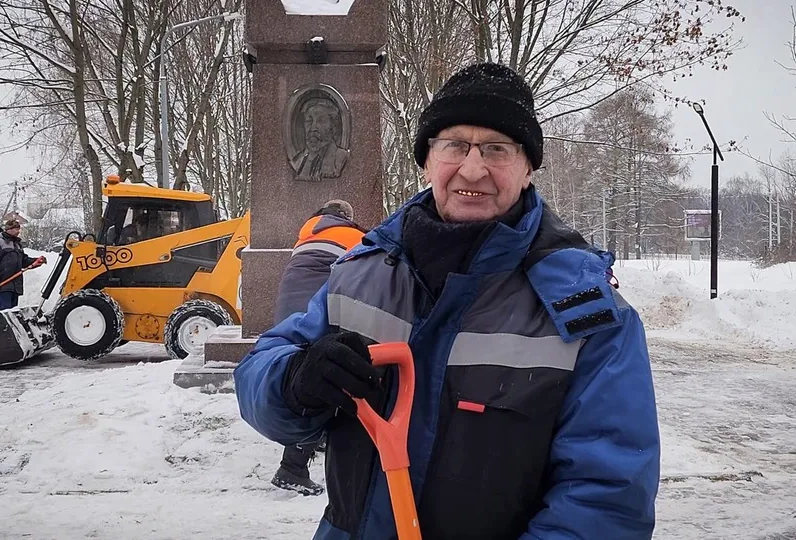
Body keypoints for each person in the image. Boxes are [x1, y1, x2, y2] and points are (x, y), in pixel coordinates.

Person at [234, 62, 660, 539]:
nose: (473, 169)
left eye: (497, 149)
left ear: (527, 169)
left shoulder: (587, 315)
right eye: (455, 145)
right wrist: (292, 382)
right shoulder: (359, 274)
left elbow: (605, 501)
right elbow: (259, 373)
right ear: (427, 160)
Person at [270, 199, 365, 496]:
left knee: (303, 379)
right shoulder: (353, 237)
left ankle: (312, 439)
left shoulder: (307, 233)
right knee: (322, 382)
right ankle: (292, 468)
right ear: (346, 219)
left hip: (288, 312)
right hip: (314, 310)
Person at [0, 219, 45, 311]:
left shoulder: (17, 244)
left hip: (15, 285)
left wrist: (36, 261)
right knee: (4, 312)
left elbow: (23, 260)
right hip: (3, 286)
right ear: (8, 229)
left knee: (13, 313)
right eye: (16, 229)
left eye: (18, 229)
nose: (18, 232)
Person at [290, 98, 350, 182]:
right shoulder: (297, 162)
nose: (313, 128)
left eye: (320, 121)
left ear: (333, 127)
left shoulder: (340, 158)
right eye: (309, 121)